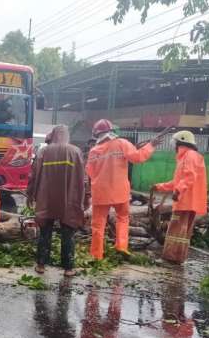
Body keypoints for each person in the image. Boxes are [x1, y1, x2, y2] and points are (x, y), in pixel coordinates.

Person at [85, 119, 158, 260]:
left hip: (101, 193)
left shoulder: (94, 151)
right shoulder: (122, 143)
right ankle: (121, 246)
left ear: (96, 134)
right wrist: (150, 146)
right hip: (120, 192)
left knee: (98, 225)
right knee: (123, 218)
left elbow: (90, 172)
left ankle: (96, 255)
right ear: (111, 131)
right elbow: (138, 157)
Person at [26, 124, 86, 277]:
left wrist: (30, 194)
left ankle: (41, 265)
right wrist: (85, 199)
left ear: (53, 135)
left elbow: (33, 176)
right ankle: (68, 268)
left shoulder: (43, 151)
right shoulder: (75, 151)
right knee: (68, 234)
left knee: (45, 232)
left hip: (46, 198)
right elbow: (82, 179)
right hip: (69, 199)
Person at [152, 130, 208, 264]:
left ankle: (171, 257)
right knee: (183, 233)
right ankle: (178, 257)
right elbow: (178, 181)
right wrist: (159, 186)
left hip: (185, 201)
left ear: (181, 142)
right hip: (189, 201)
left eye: (175, 143)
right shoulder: (189, 156)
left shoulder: (189, 156)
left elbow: (189, 177)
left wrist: (178, 191)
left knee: (175, 230)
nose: (174, 146)